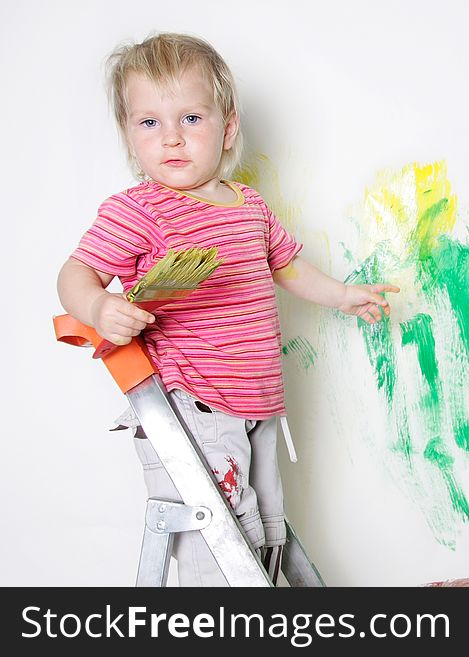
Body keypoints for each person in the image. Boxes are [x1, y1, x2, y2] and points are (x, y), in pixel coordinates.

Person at [56, 32, 399, 586]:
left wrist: (343, 295)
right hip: (194, 405)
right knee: (217, 541)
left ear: (228, 126)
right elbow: (76, 274)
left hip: (260, 403)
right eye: (149, 122)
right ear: (128, 133)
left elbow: (285, 267)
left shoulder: (249, 206)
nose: (171, 138)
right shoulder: (138, 210)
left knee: (264, 532)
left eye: (191, 118)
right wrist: (98, 305)